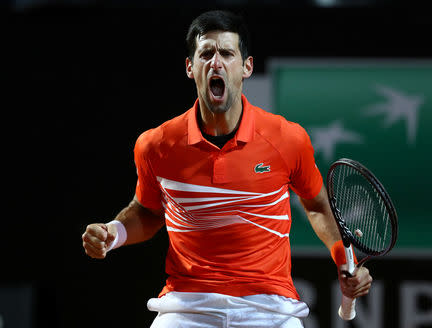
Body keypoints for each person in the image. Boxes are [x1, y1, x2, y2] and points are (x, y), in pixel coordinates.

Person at [82, 10, 372, 328]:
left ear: (246, 66)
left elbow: (316, 205)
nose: (216, 62)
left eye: (227, 53)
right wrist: (114, 232)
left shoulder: (287, 138)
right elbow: (148, 212)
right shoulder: (157, 145)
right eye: (206, 53)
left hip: (269, 308)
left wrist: (344, 261)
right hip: (187, 307)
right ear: (191, 68)